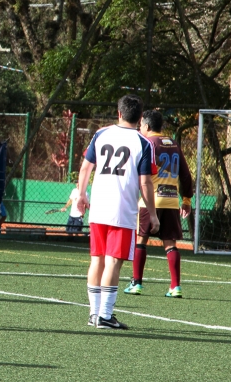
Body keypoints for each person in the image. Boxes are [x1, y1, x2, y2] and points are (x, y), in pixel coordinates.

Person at [76, 94, 158, 330]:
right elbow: (145, 182)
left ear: (119, 113)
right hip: (122, 211)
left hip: (98, 208)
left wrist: (81, 194)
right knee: (113, 261)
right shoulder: (144, 143)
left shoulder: (101, 134)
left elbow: (85, 167)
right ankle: (105, 315)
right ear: (140, 118)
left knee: (97, 259)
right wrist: (152, 214)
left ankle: (94, 314)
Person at [125, 109, 194, 298]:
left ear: (147, 126)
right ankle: (175, 286)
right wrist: (186, 200)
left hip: (150, 200)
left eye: (141, 125)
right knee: (170, 244)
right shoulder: (173, 143)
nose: (140, 128)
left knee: (141, 240)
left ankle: (137, 283)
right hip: (171, 200)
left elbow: (138, 174)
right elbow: (186, 175)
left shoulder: (146, 143)